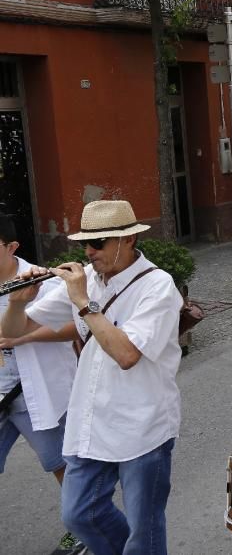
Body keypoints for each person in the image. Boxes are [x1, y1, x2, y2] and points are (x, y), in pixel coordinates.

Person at [3, 200, 183, 554]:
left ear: (128, 239)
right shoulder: (86, 279)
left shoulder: (158, 287)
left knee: (143, 530)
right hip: (93, 420)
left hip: (142, 425)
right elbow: (12, 331)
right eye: (85, 243)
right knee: (79, 515)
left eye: (99, 243)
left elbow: (126, 354)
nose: (89, 251)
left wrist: (83, 302)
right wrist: (18, 302)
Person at [0, 214, 82, 554]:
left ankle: (79, 527)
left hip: (40, 393)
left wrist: (18, 339)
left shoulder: (42, 281)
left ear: (12, 246)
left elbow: (74, 328)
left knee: (60, 464)